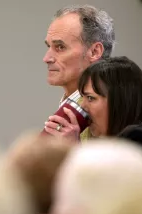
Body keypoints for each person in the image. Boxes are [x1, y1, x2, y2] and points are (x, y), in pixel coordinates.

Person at [46, 56, 142, 153]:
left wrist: (74, 150)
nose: (82, 106)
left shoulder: (139, 139)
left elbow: (105, 183)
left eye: (90, 98)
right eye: (82, 97)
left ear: (119, 101)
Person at [43, 4, 115, 140]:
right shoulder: (72, 107)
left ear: (94, 52)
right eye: (49, 46)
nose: (46, 58)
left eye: (60, 47)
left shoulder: (110, 111)